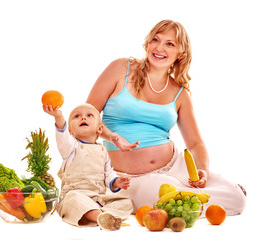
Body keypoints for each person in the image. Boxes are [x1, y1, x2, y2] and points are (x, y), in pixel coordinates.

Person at [86, 19, 246, 216]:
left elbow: (195, 144)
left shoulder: (180, 93)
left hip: (174, 166)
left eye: (169, 44)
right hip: (128, 178)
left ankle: (197, 193)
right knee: (156, 192)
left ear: (181, 53)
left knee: (237, 199)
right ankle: (195, 198)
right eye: (156, 40)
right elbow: (88, 116)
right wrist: (113, 138)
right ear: (148, 43)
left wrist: (202, 171)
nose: (159, 48)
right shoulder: (121, 69)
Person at [43, 103, 133, 230]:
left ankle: (100, 214)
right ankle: (99, 217)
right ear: (70, 131)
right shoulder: (71, 147)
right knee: (73, 200)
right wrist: (58, 117)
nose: (83, 118)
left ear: (100, 129)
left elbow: (108, 174)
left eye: (89, 115)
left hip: (98, 198)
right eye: (77, 116)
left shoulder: (102, 150)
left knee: (126, 202)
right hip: (76, 194)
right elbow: (62, 137)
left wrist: (116, 182)